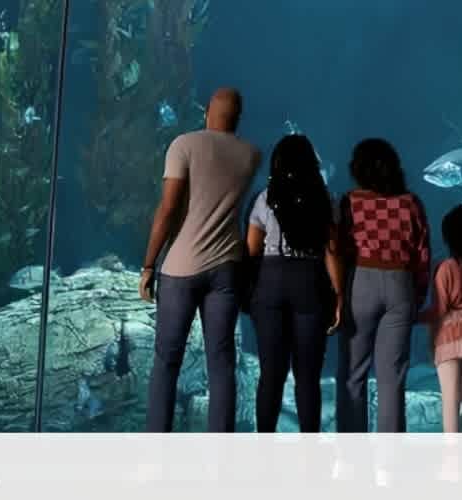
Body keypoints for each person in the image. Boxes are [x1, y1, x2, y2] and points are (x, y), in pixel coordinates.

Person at [139, 88, 262, 433]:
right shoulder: (251, 154)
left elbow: (168, 208)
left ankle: (157, 444)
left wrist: (149, 263)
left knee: (166, 361)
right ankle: (221, 452)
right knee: (221, 363)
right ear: (238, 117)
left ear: (207, 111)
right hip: (227, 268)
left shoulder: (183, 145)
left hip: (180, 267)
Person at [245, 134, 344, 432]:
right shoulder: (326, 199)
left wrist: (251, 291)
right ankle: (310, 449)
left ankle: (264, 448)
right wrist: (339, 295)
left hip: (270, 281)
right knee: (307, 376)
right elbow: (332, 250)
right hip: (309, 282)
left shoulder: (265, 197)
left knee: (271, 374)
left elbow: (251, 249)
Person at [334, 138, 431, 433]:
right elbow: (422, 254)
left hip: (360, 281)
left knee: (353, 374)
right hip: (400, 283)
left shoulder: (350, 201)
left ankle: (351, 460)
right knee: (392, 378)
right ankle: (391, 467)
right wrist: (417, 296)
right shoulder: (410, 203)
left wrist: (338, 292)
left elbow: (338, 248)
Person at [417, 204, 462, 433]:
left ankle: (452, 453)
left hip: (449, 336)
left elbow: (440, 310)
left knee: (450, 398)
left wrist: (413, 317)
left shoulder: (445, 268)